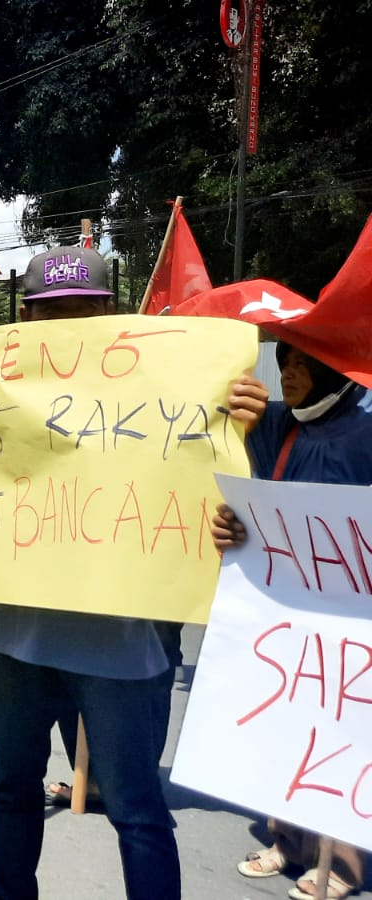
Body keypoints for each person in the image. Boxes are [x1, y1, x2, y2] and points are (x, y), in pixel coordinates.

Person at [0, 247, 268, 900]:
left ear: (111, 312)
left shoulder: (174, 389)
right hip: (16, 643)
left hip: (123, 652)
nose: (67, 324)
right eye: (51, 312)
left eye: (82, 309)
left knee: (136, 811)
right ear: (25, 319)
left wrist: (245, 437)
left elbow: (235, 517)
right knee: (9, 791)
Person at [213, 342, 372, 900]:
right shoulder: (274, 424)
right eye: (285, 364)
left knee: (344, 731)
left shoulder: (365, 428)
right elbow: (246, 495)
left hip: (354, 611)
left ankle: (344, 863)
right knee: (288, 721)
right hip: (284, 605)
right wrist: (232, 526)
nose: (290, 375)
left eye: (305, 365)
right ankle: (289, 841)